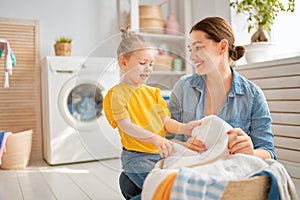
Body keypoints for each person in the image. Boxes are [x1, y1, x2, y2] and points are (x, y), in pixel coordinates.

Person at [118, 16, 277, 198]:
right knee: (128, 179)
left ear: (222, 47)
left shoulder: (252, 95)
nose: (192, 57)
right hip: (190, 167)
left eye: (199, 48)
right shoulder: (184, 86)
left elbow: (268, 151)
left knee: (134, 187)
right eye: (190, 50)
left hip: (224, 172)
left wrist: (251, 151)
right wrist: (183, 144)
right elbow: (166, 137)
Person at [103, 27, 200, 200]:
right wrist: (154, 138)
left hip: (160, 153)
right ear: (123, 63)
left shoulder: (154, 93)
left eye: (151, 63)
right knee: (161, 190)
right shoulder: (116, 95)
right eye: (142, 63)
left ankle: (131, 187)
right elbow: (127, 126)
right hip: (137, 157)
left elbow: (166, 122)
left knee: (175, 181)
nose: (148, 68)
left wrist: (186, 128)